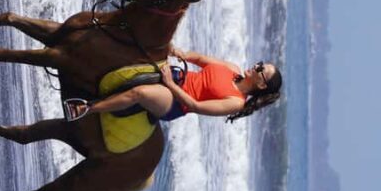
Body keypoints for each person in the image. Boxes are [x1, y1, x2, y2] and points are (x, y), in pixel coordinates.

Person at [70, 47, 282, 123]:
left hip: (175, 103)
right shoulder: (232, 67)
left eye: (261, 70)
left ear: (262, 85)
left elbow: (196, 106)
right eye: (261, 64)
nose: (257, 65)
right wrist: (179, 53)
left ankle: (87, 108)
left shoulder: (235, 102)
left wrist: (170, 84)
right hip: (179, 76)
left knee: (139, 92)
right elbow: (199, 59)